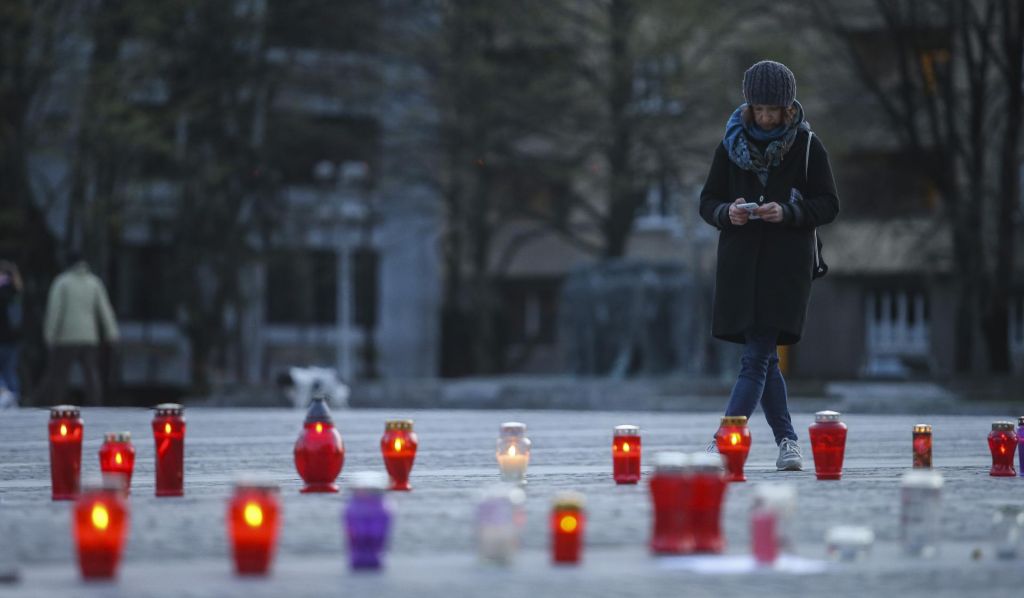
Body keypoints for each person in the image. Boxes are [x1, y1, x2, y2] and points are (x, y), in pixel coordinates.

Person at [698, 60, 839, 471]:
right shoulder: (729, 145)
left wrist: (790, 212)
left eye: (772, 110)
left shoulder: (808, 146)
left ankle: (725, 440)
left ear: (787, 107)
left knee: (756, 355)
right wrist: (730, 212)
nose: (764, 117)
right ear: (749, 106)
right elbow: (708, 201)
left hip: (785, 269)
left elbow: (828, 204)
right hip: (740, 267)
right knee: (763, 358)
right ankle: (789, 443)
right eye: (758, 109)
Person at [38, 251, 120, 405]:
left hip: (66, 337)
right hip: (89, 337)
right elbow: (104, 309)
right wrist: (112, 333)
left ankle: (57, 403)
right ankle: (95, 403)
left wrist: (49, 335)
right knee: (91, 374)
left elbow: (54, 310)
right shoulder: (94, 282)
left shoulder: (62, 282)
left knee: (60, 374)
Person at [0, 260, 23, 408]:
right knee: (10, 370)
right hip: (14, 339)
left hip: (1, 337)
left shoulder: (2, 291)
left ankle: (4, 395)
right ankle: (14, 396)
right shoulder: (17, 290)